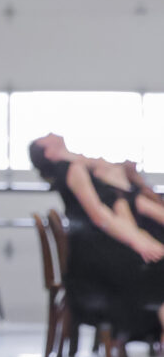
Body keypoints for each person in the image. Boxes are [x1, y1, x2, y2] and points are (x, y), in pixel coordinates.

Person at [28, 134, 164, 341]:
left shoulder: (79, 166)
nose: (51, 134)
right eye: (45, 137)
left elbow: (115, 210)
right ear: (47, 151)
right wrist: (137, 240)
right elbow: (99, 214)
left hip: (102, 246)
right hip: (96, 254)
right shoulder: (72, 169)